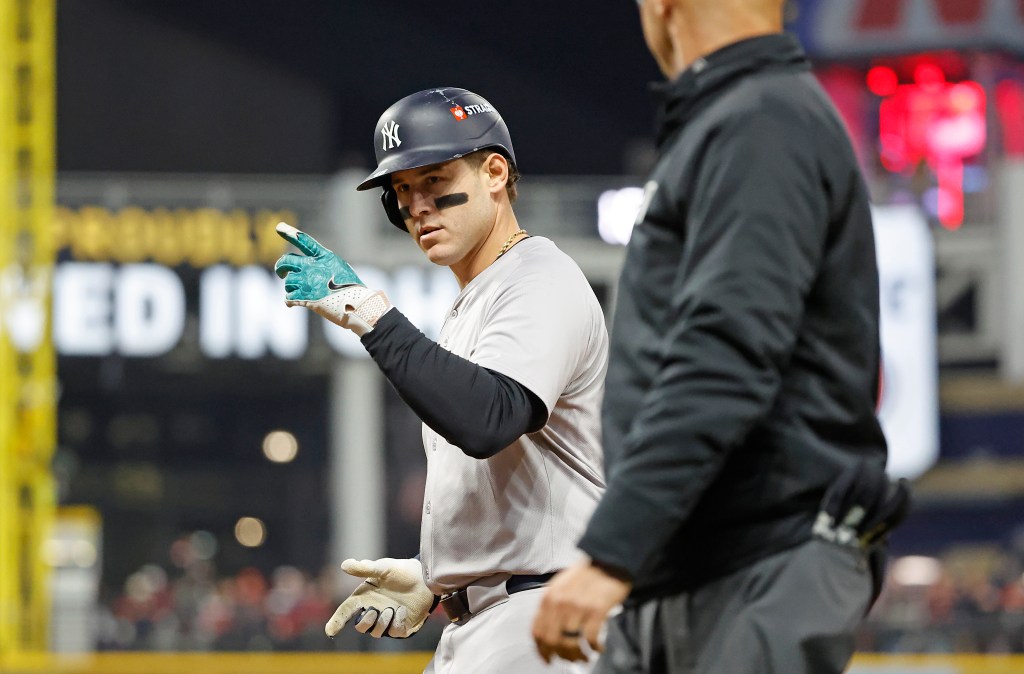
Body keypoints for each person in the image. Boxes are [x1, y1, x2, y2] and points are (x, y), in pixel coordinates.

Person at [532, 1, 910, 672]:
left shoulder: (761, 121)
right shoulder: (742, 117)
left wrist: (614, 550)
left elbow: (724, 357)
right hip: (696, 567)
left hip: (756, 564)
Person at [274, 87, 608, 673]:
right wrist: (436, 578)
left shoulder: (540, 276)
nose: (417, 205)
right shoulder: (475, 301)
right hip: (495, 617)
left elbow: (489, 419)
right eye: (402, 190)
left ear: (495, 173)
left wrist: (371, 318)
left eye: (434, 179)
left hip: (543, 616)